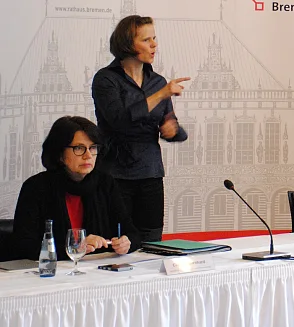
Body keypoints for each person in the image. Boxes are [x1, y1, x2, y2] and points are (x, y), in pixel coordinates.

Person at [92, 15, 190, 243]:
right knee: (114, 242)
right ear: (127, 44)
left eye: (154, 38)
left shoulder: (157, 81)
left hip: (150, 174)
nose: (154, 45)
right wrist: (162, 94)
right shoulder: (106, 79)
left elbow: (175, 127)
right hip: (115, 174)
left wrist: (173, 130)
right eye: (147, 40)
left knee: (152, 242)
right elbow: (120, 120)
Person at [12, 116, 138, 261]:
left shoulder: (106, 183)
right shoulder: (36, 187)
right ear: (59, 154)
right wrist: (75, 248)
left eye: (93, 147)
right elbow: (24, 246)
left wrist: (126, 243)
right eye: (79, 148)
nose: (88, 155)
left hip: (97, 271)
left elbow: (132, 233)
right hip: (51, 273)